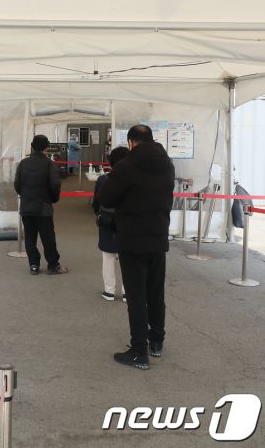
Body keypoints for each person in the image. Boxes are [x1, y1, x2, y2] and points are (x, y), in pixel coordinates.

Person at [99, 125, 175, 370]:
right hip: (158, 237)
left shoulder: (126, 166)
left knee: (136, 296)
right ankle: (157, 342)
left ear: (131, 142)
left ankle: (139, 351)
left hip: (132, 239)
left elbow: (107, 198)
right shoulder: (167, 164)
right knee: (156, 293)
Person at [14, 135, 69, 275]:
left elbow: (17, 184)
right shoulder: (49, 164)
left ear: (32, 146)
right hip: (43, 207)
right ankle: (53, 265)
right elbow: (55, 184)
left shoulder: (23, 163)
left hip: (26, 207)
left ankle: (33, 265)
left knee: (29, 237)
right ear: (46, 148)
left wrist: (25, 195)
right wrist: (53, 199)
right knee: (48, 238)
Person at [92, 146, 129, 302]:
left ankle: (109, 291)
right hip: (128, 224)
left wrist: (100, 215)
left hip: (107, 223)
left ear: (110, 162)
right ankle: (128, 292)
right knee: (128, 259)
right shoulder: (134, 180)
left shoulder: (103, 180)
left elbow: (96, 203)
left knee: (107, 258)